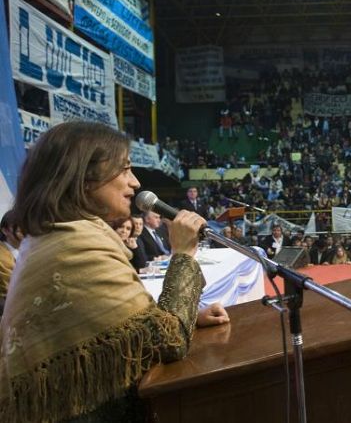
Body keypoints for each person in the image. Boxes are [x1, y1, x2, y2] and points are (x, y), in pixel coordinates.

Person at [0, 122, 229, 422]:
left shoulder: (57, 237)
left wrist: (190, 318)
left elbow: (129, 332)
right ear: (83, 178)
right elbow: (167, 342)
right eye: (125, 169)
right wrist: (183, 254)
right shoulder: (75, 246)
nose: (135, 183)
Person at [0, 211, 23, 312]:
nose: (25, 235)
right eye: (20, 231)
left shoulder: (26, 249)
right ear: (5, 231)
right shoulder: (2, 257)